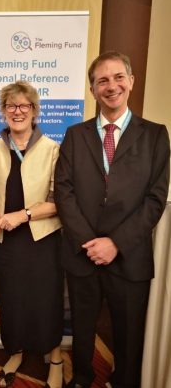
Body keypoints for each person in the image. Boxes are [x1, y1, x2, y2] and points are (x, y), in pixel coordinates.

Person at [54, 51, 170, 388]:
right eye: (102, 80)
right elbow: (64, 191)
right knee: (82, 327)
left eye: (118, 77)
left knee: (128, 332)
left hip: (129, 255)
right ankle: (82, 377)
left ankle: (124, 380)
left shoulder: (155, 136)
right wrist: (90, 243)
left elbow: (154, 199)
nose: (111, 85)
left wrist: (115, 243)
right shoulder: (75, 135)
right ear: (92, 89)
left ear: (131, 82)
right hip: (83, 252)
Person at [0, 81, 64, 388]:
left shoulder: (52, 148)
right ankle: (15, 351)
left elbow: (58, 202)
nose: (17, 112)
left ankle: (54, 358)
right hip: (7, 241)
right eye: (11, 106)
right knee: (12, 299)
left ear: (34, 111)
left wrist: (24, 215)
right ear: (3, 111)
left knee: (47, 300)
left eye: (24, 106)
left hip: (42, 239)